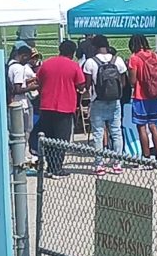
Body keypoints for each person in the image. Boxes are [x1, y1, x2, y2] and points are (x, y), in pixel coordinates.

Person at [35, 40, 86, 177]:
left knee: (49, 139)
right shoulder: (74, 66)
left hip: (46, 105)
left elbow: (38, 81)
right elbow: (81, 85)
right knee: (61, 140)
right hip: (65, 107)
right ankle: (57, 168)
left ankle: (50, 166)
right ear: (73, 52)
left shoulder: (46, 64)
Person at [82, 35, 127, 175]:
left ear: (94, 47)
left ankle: (99, 164)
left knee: (98, 133)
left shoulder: (90, 62)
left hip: (97, 101)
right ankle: (117, 163)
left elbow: (88, 84)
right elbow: (123, 82)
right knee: (116, 132)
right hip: (115, 100)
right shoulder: (117, 60)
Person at [128, 34, 157, 161]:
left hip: (140, 96)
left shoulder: (134, 58)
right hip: (153, 94)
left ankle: (146, 156)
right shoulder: (154, 55)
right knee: (153, 126)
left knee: (142, 127)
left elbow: (133, 80)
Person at [7, 46, 38, 160]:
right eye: (27, 58)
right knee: (25, 130)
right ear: (23, 55)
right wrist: (34, 87)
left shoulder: (10, 65)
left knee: (17, 131)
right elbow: (18, 89)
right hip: (21, 103)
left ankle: (21, 153)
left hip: (14, 102)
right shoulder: (19, 68)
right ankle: (22, 154)